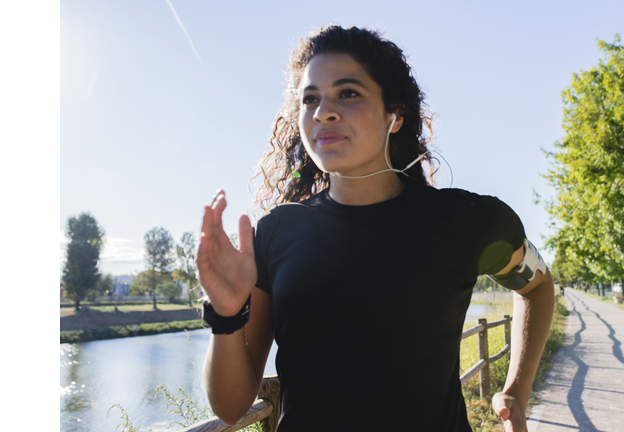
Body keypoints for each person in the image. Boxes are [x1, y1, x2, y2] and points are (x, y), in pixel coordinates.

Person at [196, 26, 554, 432]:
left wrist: (516, 391)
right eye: (310, 99)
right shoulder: (277, 232)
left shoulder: (466, 220)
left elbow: (538, 287)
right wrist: (225, 316)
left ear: (394, 115)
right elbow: (231, 406)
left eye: (347, 93)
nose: (323, 112)